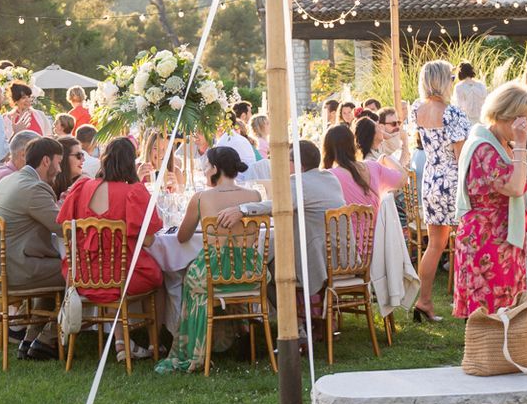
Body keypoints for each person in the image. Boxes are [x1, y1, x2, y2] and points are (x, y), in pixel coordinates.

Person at [454, 79, 527, 404]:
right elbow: (514, 186)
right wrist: (521, 146)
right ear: (507, 116)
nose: (525, 126)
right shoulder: (484, 148)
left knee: (501, 325)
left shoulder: (498, 143)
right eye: (522, 120)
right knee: (490, 326)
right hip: (487, 250)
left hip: (501, 247)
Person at [157, 145, 263, 373]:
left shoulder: (201, 197)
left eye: (206, 167)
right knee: (202, 272)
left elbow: (183, 237)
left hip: (214, 272)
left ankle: (197, 347)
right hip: (250, 270)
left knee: (190, 276)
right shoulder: (254, 195)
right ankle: (241, 333)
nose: (205, 172)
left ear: (215, 168)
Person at [57, 136, 163, 357]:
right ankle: (155, 343)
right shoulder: (133, 192)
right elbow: (149, 240)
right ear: (130, 162)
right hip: (121, 276)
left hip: (84, 275)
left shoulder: (82, 187)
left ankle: (121, 343)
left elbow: (65, 225)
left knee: (110, 270)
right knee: (159, 280)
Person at [218, 141, 346, 306]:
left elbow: (276, 205)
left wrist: (242, 209)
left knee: (267, 271)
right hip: (340, 256)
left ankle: (294, 324)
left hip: (318, 261)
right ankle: (302, 319)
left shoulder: (299, 182)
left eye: (287, 160)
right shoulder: (329, 178)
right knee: (271, 254)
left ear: (297, 164)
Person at [0, 136, 70, 359]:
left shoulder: (10, 180)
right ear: (45, 161)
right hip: (15, 270)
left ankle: (32, 339)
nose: (60, 169)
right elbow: (63, 228)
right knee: (76, 272)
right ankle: (49, 337)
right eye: (58, 162)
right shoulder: (35, 188)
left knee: (56, 270)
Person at [411, 60, 472, 321]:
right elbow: (462, 157)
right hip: (453, 181)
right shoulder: (453, 114)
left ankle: (424, 300)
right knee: (465, 242)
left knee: (434, 245)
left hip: (431, 180)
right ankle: (465, 302)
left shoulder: (416, 109)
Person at [323, 122, 400, 208]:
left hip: (348, 220)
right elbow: (402, 179)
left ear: (328, 149)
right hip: (375, 220)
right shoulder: (372, 165)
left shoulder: (329, 177)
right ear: (352, 144)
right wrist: (385, 158)